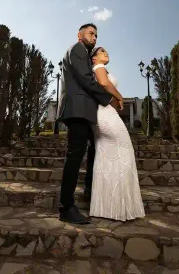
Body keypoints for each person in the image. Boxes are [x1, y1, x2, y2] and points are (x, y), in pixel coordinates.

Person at [56, 23, 120, 224]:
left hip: (86, 111)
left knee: (95, 148)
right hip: (77, 110)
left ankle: (89, 190)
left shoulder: (83, 53)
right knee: (74, 156)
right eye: (91, 33)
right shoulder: (76, 49)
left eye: (96, 35)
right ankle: (66, 207)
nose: (94, 38)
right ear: (79, 35)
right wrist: (109, 98)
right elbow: (85, 79)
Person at [89, 46, 145, 221]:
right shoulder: (98, 68)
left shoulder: (100, 69)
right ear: (94, 58)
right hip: (104, 114)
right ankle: (115, 205)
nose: (106, 53)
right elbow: (105, 84)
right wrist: (120, 97)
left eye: (106, 51)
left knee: (107, 155)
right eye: (102, 51)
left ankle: (108, 206)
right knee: (124, 151)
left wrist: (115, 102)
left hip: (106, 112)